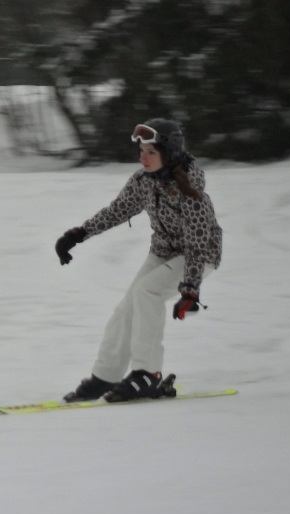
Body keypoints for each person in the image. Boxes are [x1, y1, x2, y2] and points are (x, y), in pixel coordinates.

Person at [54, 118, 223, 403]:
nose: (143, 158)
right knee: (127, 308)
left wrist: (190, 289)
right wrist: (78, 234)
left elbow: (197, 244)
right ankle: (105, 376)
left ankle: (148, 374)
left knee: (147, 292)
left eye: (151, 152)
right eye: (141, 151)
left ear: (168, 154)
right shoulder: (143, 181)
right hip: (163, 252)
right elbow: (117, 210)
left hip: (199, 256)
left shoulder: (191, 192)